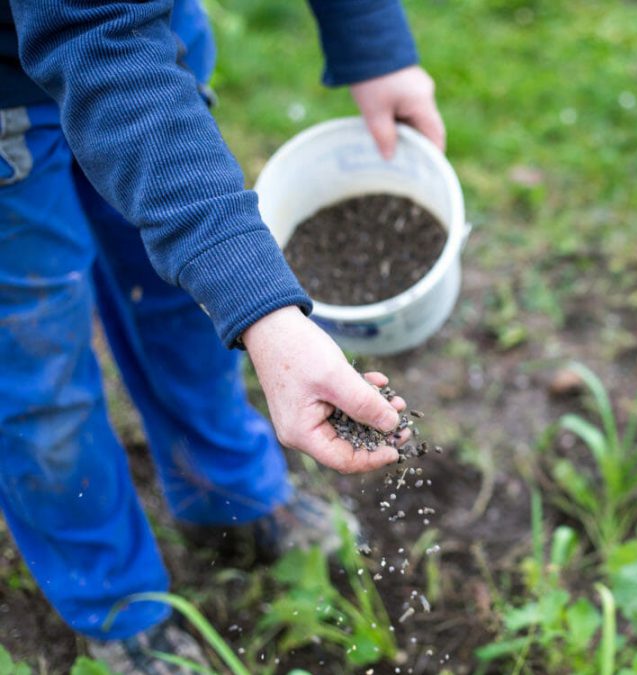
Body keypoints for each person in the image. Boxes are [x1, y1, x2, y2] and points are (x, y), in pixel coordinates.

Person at [0, 0, 445, 670]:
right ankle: (115, 604)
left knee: (187, 298)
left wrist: (371, 39)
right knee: (40, 370)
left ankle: (226, 492)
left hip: (151, 33)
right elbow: (96, 35)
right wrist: (266, 312)